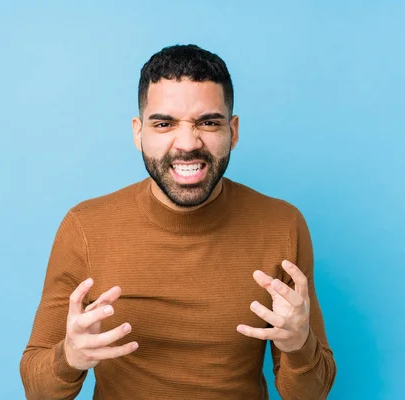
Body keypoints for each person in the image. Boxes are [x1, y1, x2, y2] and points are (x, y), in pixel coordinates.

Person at [20, 44, 336, 400]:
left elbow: (311, 394)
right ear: (139, 132)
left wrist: (298, 344)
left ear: (233, 131)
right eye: (164, 123)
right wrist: (70, 358)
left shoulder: (282, 225)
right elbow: (38, 390)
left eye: (208, 122)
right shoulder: (84, 228)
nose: (187, 143)